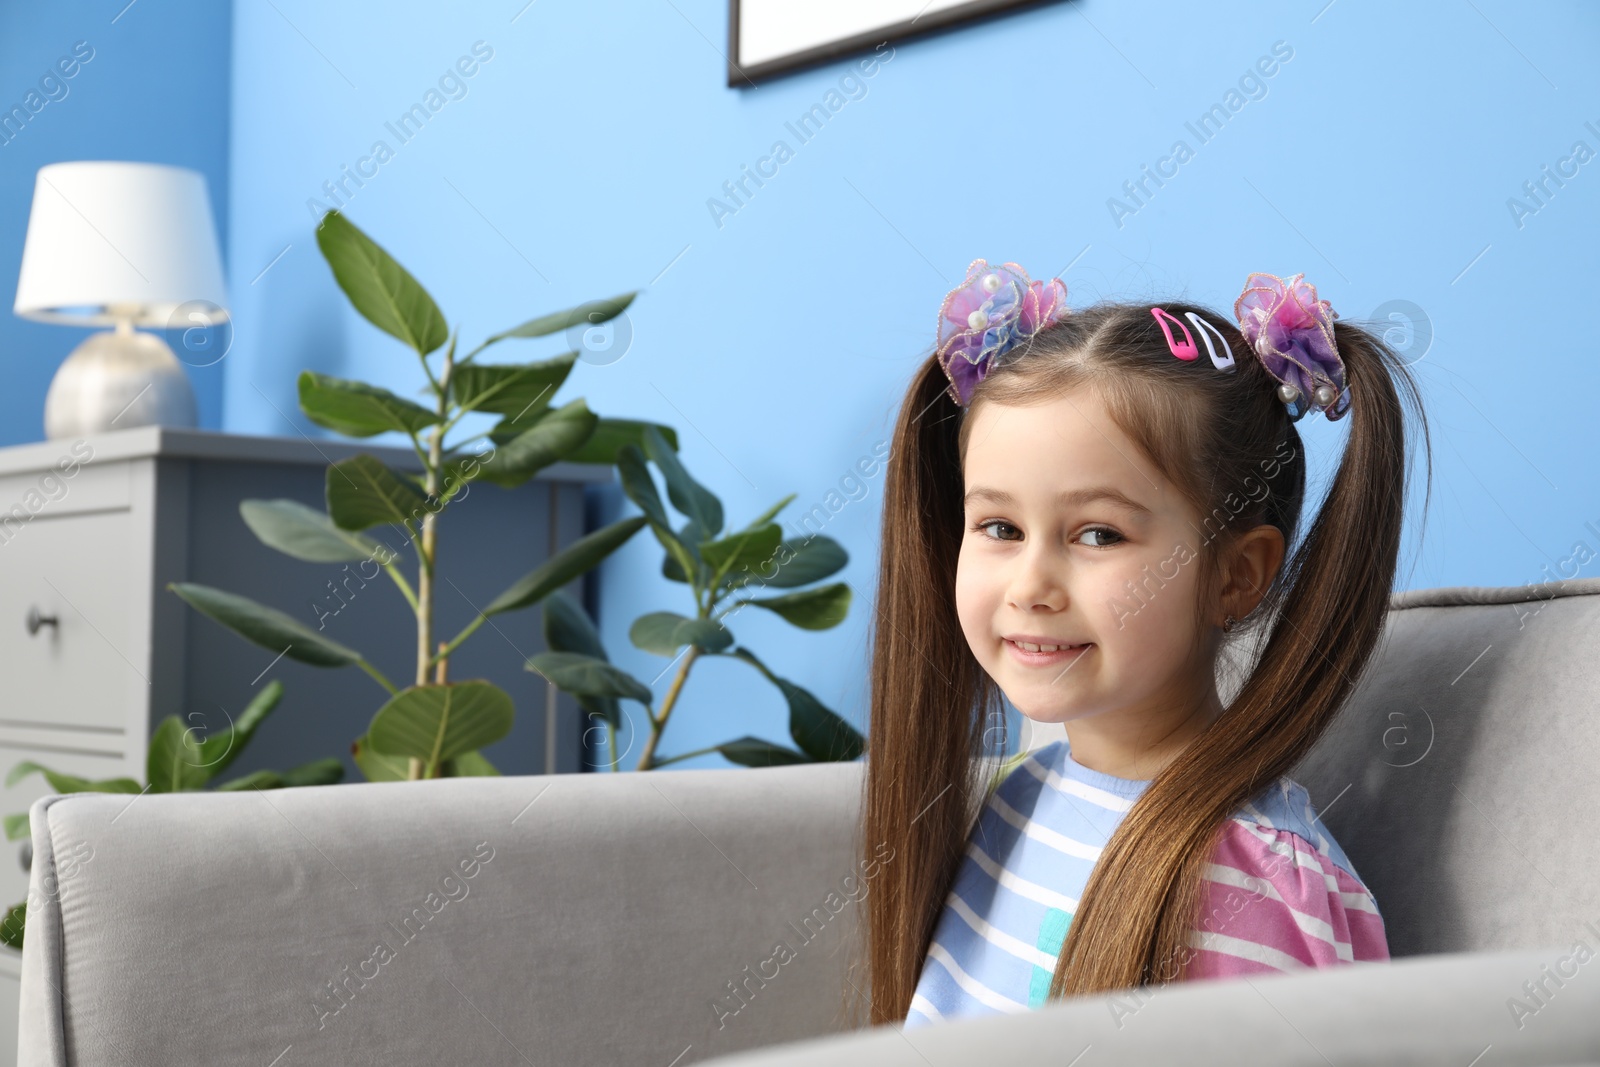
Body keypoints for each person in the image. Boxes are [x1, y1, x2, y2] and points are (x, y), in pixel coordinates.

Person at [855, 260, 1432, 1029]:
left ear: (1236, 576)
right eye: (999, 527)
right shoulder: (1021, 799)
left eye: (1098, 533)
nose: (1031, 584)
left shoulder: (1247, 881)